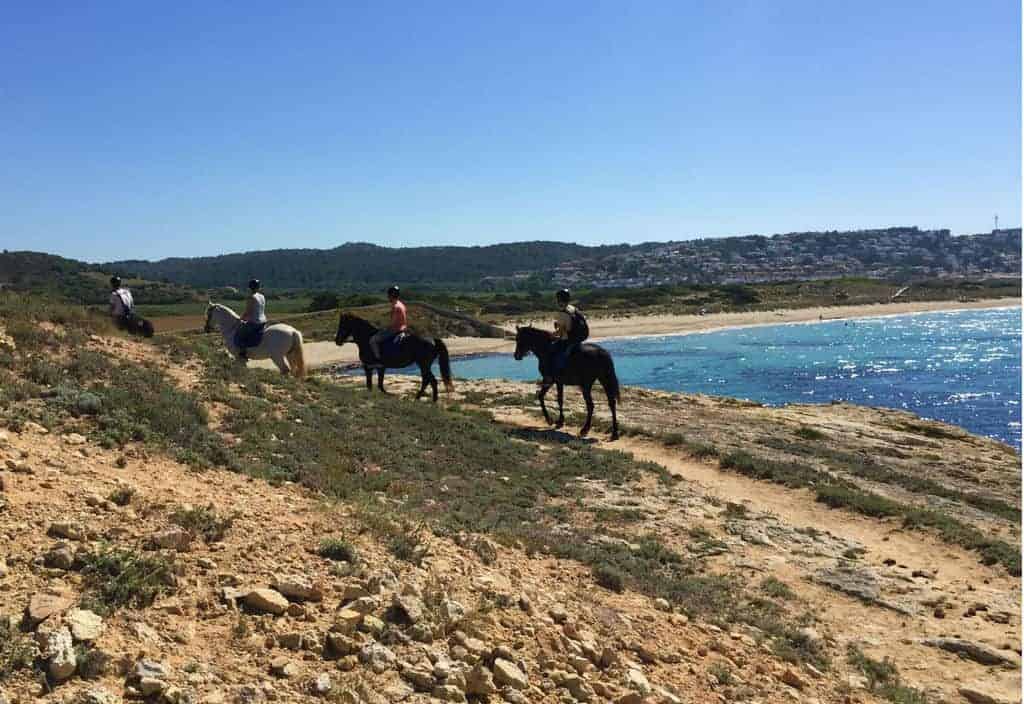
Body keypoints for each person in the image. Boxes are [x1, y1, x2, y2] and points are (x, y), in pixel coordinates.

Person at [545, 288, 589, 382]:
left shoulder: (562, 313)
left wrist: (551, 335)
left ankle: (555, 375)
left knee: (553, 352)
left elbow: (562, 331)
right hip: (579, 337)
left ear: (558, 299)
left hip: (569, 338)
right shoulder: (572, 308)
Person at [369, 285, 407, 365]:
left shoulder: (396, 307)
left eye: (388, 295)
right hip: (403, 328)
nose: (388, 297)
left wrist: (382, 327)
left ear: (391, 296)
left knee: (373, 340)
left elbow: (393, 323)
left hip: (396, 329)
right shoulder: (401, 304)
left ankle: (378, 360)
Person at [235, 278, 267, 360]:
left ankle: (243, 353)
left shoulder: (251, 297)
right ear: (258, 287)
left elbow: (248, 312)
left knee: (239, 334)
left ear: (250, 288)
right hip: (263, 321)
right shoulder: (262, 296)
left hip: (254, 322)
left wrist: (240, 319)